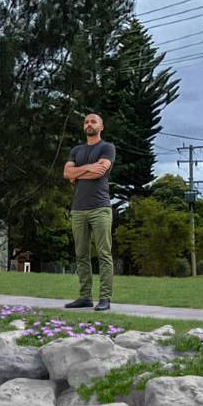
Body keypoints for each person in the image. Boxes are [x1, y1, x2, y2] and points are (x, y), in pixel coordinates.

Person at [62, 113, 115, 311]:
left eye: (93, 121)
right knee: (81, 254)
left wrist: (79, 171)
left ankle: (105, 298)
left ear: (101, 127)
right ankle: (85, 296)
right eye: (86, 121)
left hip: (100, 208)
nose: (89, 124)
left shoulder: (107, 148)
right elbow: (67, 173)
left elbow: (100, 171)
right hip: (78, 210)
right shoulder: (76, 150)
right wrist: (89, 168)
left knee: (104, 253)